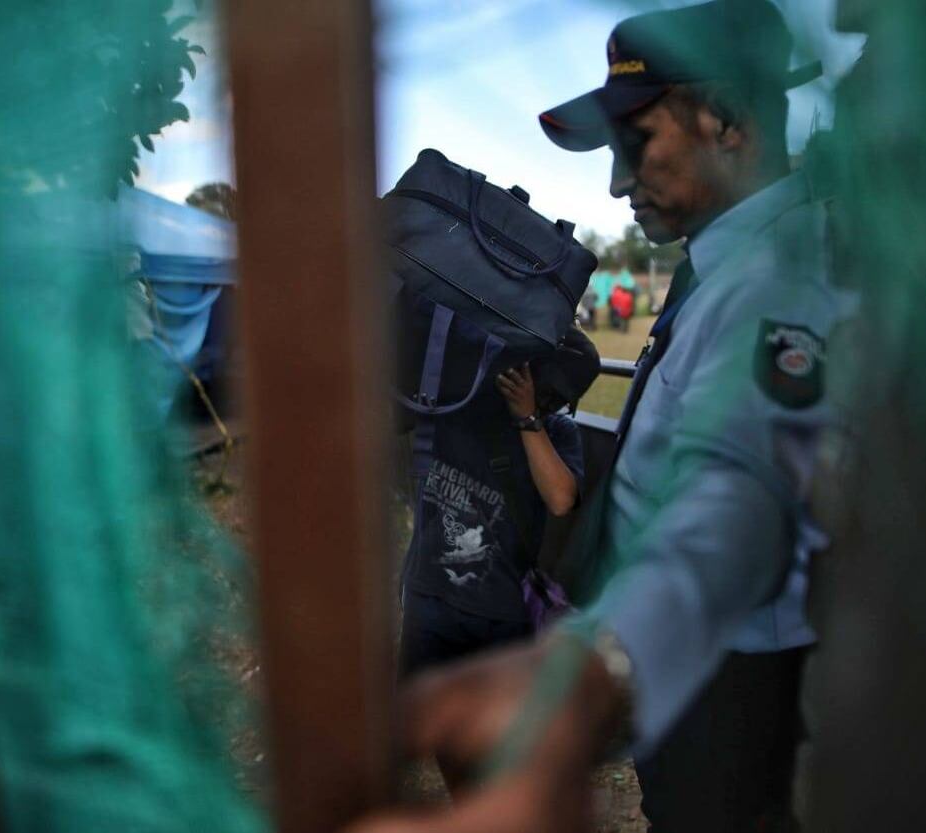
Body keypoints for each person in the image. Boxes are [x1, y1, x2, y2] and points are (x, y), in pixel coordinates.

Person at [352, 2, 848, 831]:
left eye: (636, 145)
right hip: (691, 676)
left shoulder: (779, 281)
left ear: (726, 119)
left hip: (723, 686)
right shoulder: (723, 266)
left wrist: (599, 672)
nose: (618, 182)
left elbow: (743, 499)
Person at [398, 329, 599, 687]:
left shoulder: (556, 432)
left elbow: (561, 499)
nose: (551, 403)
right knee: (414, 715)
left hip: (498, 610)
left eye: (557, 399)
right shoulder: (461, 403)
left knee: (482, 733)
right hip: (429, 596)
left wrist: (528, 419)